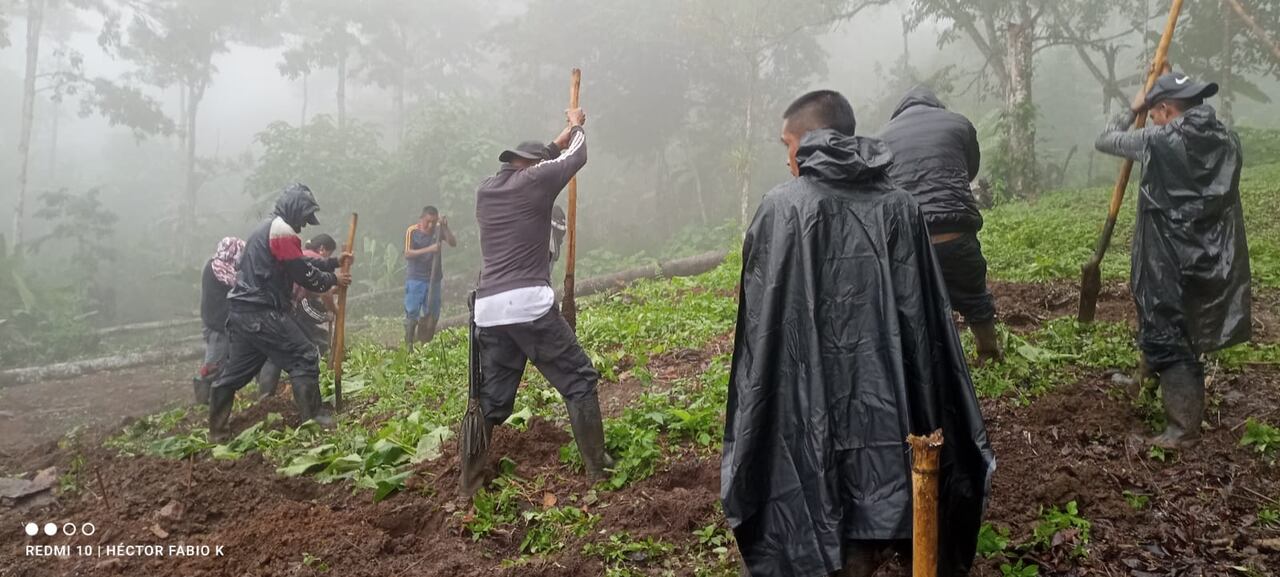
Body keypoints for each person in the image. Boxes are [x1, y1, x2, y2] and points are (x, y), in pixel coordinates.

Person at [720, 90, 994, 577]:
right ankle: (885, 532)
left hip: (813, 427)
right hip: (898, 437)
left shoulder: (781, 209)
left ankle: (846, 546)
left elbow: (762, 342)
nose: (787, 161)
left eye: (787, 145)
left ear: (807, 140)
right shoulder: (902, 207)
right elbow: (926, 339)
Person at [460, 106, 611, 497]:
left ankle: (470, 486)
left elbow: (544, 157)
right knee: (579, 380)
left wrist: (555, 139)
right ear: (531, 166)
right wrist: (577, 126)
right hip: (528, 302)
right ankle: (598, 469)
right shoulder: (536, 182)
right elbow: (576, 156)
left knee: (489, 399)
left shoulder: (486, 190)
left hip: (489, 309)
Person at [1095, 71, 1251, 449]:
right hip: (1213, 252)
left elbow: (1104, 140)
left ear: (1163, 110)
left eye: (1155, 113)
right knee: (1166, 319)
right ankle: (1144, 378)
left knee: (1168, 326)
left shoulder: (1160, 139)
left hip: (1168, 253)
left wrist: (1131, 109)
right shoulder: (1228, 140)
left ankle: (1181, 432)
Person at [207, 183, 352, 441]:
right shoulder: (281, 230)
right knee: (305, 355)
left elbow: (298, 261)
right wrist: (332, 279)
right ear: (295, 209)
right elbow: (302, 273)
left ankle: (217, 432)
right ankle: (314, 417)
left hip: (242, 313)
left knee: (233, 374)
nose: (304, 226)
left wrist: (332, 262)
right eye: (305, 218)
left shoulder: (268, 228)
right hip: (263, 311)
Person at [878, 85, 1002, 363]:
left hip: (909, 244)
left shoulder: (882, 137)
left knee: (913, 306)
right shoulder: (959, 124)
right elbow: (970, 168)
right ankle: (989, 354)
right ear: (936, 104)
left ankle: (924, 365)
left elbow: (881, 188)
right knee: (975, 298)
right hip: (955, 235)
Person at [257, 233, 339, 400]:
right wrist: (334, 310)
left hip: (276, 308)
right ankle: (307, 403)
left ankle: (265, 396)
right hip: (284, 309)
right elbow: (323, 290)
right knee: (305, 351)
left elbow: (311, 288)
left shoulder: (303, 255)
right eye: (329, 253)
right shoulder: (314, 259)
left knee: (277, 353)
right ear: (322, 249)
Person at [195, 237, 245, 404]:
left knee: (223, 361)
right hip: (216, 323)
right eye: (239, 253)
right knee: (214, 363)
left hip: (221, 321)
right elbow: (239, 286)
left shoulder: (221, 266)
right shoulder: (218, 268)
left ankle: (212, 397)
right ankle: (203, 401)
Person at [403, 206, 456, 350]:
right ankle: (408, 345)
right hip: (416, 278)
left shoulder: (438, 230)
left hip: (434, 279)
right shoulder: (412, 231)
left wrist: (445, 227)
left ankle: (425, 344)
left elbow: (453, 242)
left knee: (432, 312)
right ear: (421, 219)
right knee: (412, 310)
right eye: (428, 222)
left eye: (434, 221)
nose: (431, 225)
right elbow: (408, 253)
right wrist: (430, 249)